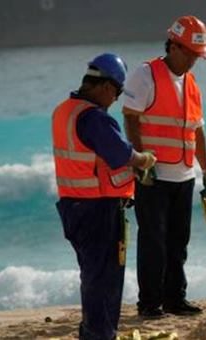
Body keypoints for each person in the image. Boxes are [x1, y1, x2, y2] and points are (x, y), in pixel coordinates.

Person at [52, 53, 157, 339]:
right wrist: (144, 160)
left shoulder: (65, 111)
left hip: (74, 206)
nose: (116, 100)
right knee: (105, 278)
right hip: (98, 209)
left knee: (92, 273)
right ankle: (100, 334)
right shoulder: (94, 118)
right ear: (107, 87)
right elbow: (120, 154)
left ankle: (92, 332)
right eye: (118, 92)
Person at [122, 15, 206, 317]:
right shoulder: (146, 74)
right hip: (154, 175)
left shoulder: (191, 84)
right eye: (190, 54)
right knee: (153, 241)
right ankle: (149, 303)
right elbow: (130, 117)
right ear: (174, 46)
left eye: (197, 57)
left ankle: (175, 298)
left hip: (184, 174)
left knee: (178, 242)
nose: (193, 62)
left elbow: (197, 130)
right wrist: (140, 160)